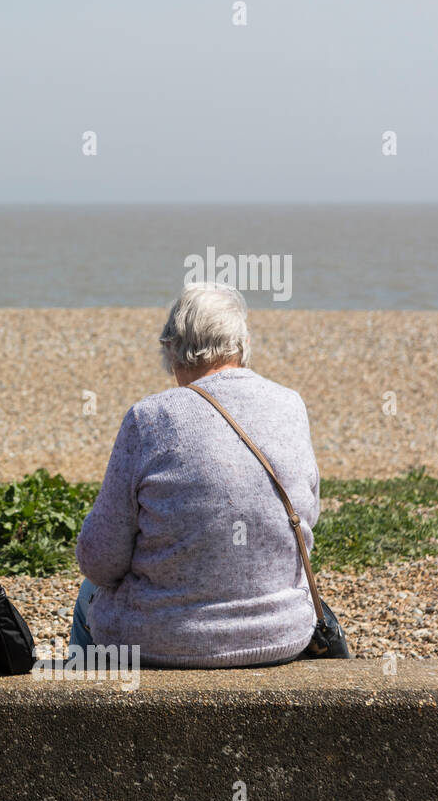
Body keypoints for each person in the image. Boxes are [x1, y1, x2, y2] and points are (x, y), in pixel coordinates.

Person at [72, 283, 335, 668]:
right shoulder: (290, 405)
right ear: (242, 344)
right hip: (280, 633)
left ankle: (89, 717)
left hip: (159, 640)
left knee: (87, 597)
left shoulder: (149, 419)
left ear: (170, 349)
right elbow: (305, 522)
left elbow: (100, 560)